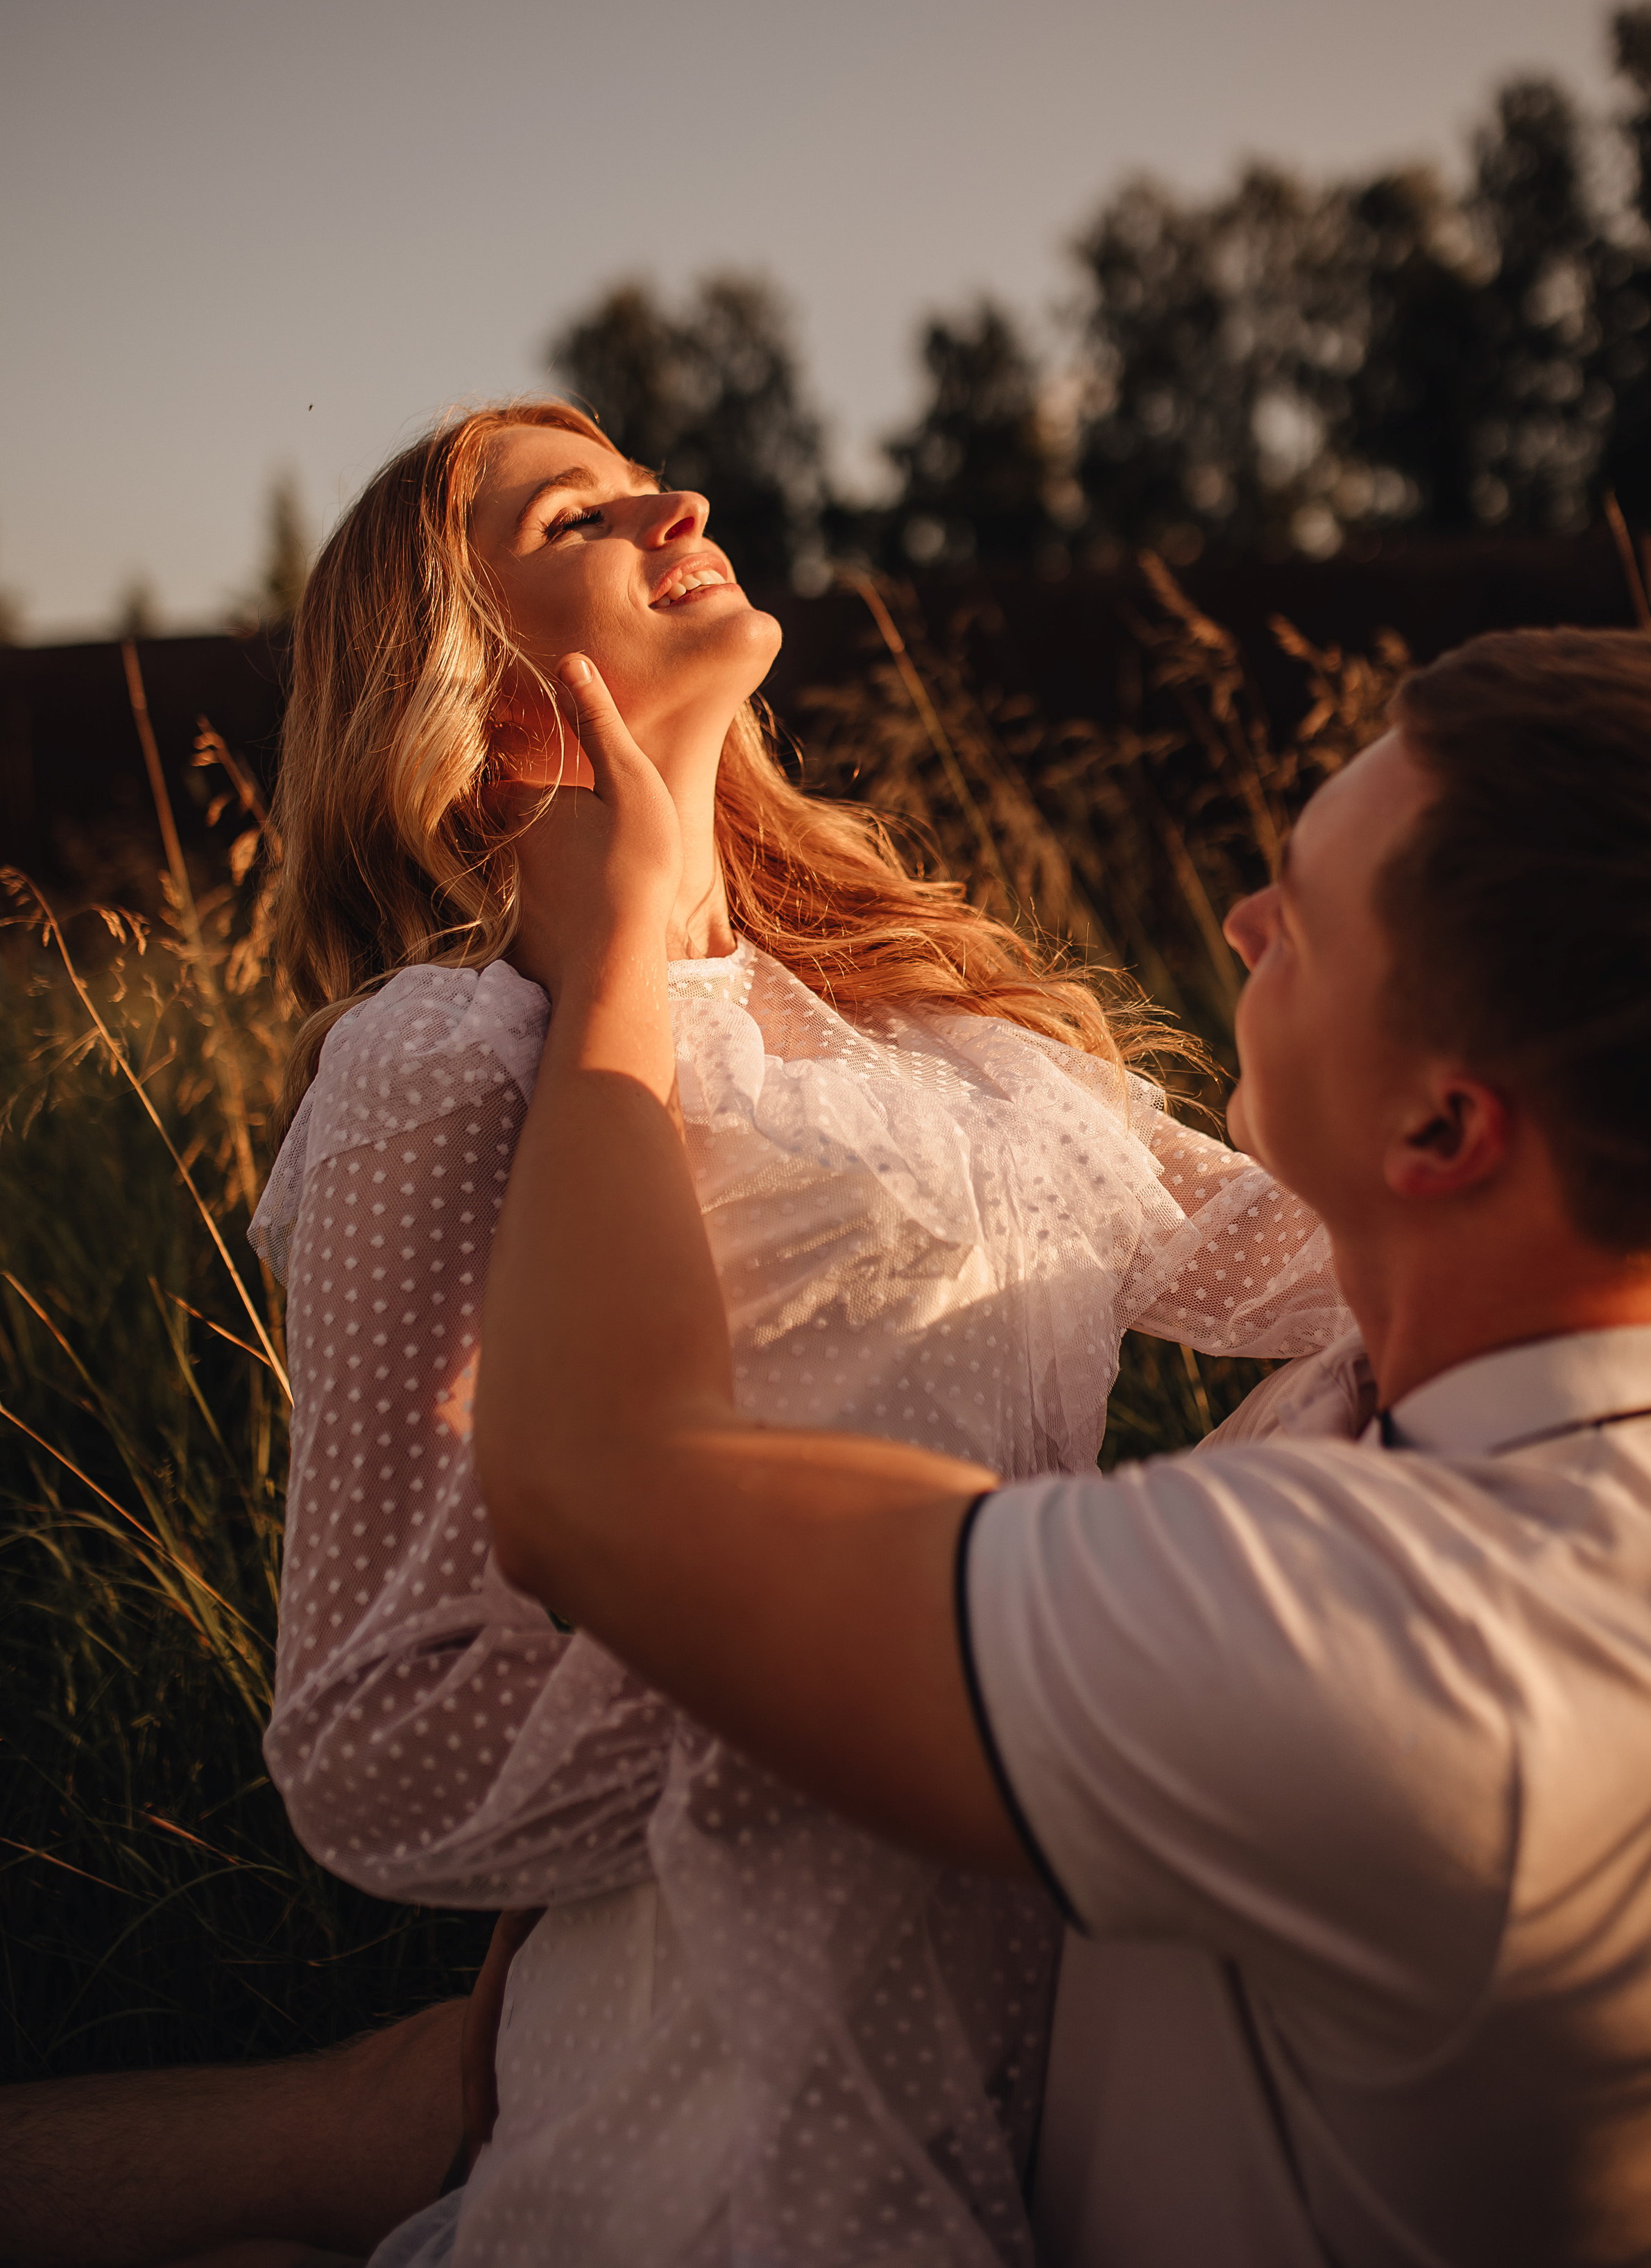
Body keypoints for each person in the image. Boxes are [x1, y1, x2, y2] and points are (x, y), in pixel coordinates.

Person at [469, 622, 1651, 2267]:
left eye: (1296, 926)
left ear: (1443, 1130)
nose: (1237, 924)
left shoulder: (1400, 1644)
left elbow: (588, 1490)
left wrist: (614, 962)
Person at [248, 397, 1349, 2268]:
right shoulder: (448, 1059)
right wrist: (856, 1689)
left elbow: (1323, 1275)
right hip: (750, 2057)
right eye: (580, 514)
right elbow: (369, 1740)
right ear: (495, 693)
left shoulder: (932, 1020)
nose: (679, 498)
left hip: (1082, 1988)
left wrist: (1636, 1244)